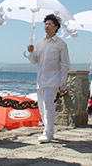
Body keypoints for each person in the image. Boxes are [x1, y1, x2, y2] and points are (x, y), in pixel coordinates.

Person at [26, 13, 70, 143]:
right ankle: (47, 128)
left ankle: (48, 132)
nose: (47, 26)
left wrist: (62, 82)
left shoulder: (61, 44)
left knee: (47, 104)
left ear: (56, 27)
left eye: (50, 24)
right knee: (41, 105)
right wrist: (31, 52)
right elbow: (34, 61)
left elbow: (65, 64)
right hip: (41, 79)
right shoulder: (39, 42)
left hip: (53, 79)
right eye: (45, 24)